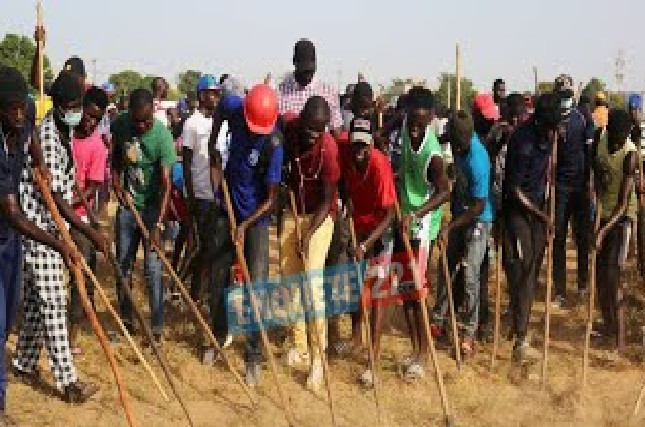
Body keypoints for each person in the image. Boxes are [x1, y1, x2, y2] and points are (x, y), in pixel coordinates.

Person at [14, 70, 108, 402]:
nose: (76, 110)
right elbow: (53, 199)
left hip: (55, 228)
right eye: (70, 105)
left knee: (38, 308)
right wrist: (87, 232)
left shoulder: (64, 131)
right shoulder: (48, 139)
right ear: (57, 105)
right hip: (42, 231)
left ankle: (24, 362)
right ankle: (69, 383)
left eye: (78, 104)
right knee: (54, 302)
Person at [0, 66, 80, 421]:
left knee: (25, 309)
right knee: (41, 307)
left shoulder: (30, 119)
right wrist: (61, 242)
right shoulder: (6, 148)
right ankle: (61, 381)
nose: (19, 114)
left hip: (20, 237)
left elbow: (29, 128)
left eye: (22, 107)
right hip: (24, 228)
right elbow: (15, 214)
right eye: (11, 109)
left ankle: (23, 361)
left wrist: (38, 160)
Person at [208, 84, 284, 386]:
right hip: (226, 206)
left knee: (258, 284)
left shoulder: (274, 143)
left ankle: (254, 353)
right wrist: (213, 144)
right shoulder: (232, 106)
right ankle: (218, 334)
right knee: (217, 277)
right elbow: (218, 116)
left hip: (257, 219)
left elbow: (271, 199)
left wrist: (245, 225)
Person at [281, 96, 339, 390]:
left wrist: (308, 233)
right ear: (301, 120)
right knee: (290, 281)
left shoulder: (328, 151)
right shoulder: (289, 127)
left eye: (319, 130)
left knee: (312, 283)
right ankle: (299, 344)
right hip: (294, 211)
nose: (312, 135)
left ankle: (319, 356)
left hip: (319, 218)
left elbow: (328, 199)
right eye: (309, 128)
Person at [111, 88, 176, 345]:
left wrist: (158, 225)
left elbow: (167, 186)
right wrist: (116, 181)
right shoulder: (121, 124)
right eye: (136, 121)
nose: (140, 126)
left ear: (153, 112)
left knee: (152, 268)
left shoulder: (162, 137)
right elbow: (116, 156)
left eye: (145, 121)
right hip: (128, 208)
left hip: (152, 210)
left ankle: (156, 327)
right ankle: (126, 320)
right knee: (122, 266)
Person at [395, 87, 449, 379]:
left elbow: (444, 192)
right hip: (403, 218)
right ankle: (414, 347)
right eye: (412, 123)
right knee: (405, 290)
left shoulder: (433, 154)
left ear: (430, 120)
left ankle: (424, 354)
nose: (414, 129)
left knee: (417, 291)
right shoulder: (403, 126)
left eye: (421, 124)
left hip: (422, 224)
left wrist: (417, 214)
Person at [339, 117, 396, 387]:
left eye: (363, 146)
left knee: (377, 291)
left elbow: (390, 214)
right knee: (356, 287)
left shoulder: (380, 165)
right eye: (355, 146)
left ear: (371, 144)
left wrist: (365, 244)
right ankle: (356, 338)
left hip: (380, 232)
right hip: (358, 226)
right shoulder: (347, 156)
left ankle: (373, 357)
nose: (359, 151)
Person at [503, 93, 560, 363]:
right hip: (518, 211)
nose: (552, 133)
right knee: (522, 269)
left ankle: (518, 320)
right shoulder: (523, 141)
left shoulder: (548, 134)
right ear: (538, 122)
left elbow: (546, 175)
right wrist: (543, 215)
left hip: (538, 209)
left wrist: (547, 211)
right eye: (549, 128)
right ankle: (520, 338)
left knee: (532, 269)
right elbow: (514, 190)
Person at [434, 111, 494, 357]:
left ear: (465, 139)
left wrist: (450, 226)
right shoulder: (457, 146)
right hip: (459, 214)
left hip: (478, 219)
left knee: (470, 274)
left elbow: (479, 205)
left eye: (455, 142)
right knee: (445, 266)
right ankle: (439, 320)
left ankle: (469, 331)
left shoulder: (479, 159)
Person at [182, 74, 229, 363]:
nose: (215, 97)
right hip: (199, 195)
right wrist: (189, 196)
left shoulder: (219, 123)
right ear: (201, 96)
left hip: (217, 197)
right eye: (211, 93)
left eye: (217, 93)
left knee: (214, 254)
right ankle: (194, 296)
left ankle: (202, 298)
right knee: (200, 250)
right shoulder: (192, 124)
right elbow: (186, 161)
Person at [68, 86, 109, 354]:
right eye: (87, 114)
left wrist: (68, 201)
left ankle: (70, 334)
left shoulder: (97, 146)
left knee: (77, 277)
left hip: (79, 218)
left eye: (96, 118)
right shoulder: (64, 136)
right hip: (52, 213)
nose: (90, 121)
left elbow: (92, 188)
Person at [593, 109, 637, 350]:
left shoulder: (630, 156)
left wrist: (602, 231)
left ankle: (620, 344)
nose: (619, 141)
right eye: (617, 136)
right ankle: (608, 328)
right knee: (600, 277)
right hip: (604, 213)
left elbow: (622, 204)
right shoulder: (600, 140)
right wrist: (597, 184)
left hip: (621, 220)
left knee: (613, 278)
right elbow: (596, 169)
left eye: (624, 137)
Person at [552, 75, 594, 308]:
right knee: (558, 237)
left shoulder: (582, 118)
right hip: (560, 186)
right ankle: (560, 290)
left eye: (568, 96)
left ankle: (582, 284)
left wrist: (589, 182)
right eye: (562, 96)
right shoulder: (554, 119)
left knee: (582, 237)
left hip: (579, 185)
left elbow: (590, 152)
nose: (565, 99)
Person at [278, 38, 342, 131]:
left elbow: (336, 129)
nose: (308, 74)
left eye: (311, 69)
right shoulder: (280, 92)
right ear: (294, 62)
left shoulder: (328, 92)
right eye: (304, 69)